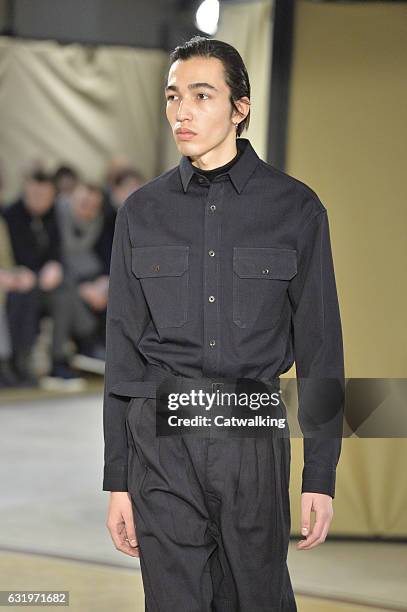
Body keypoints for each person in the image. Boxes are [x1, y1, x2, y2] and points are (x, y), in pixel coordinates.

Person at [103, 36, 345, 611]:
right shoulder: (141, 212)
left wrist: (320, 474)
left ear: (241, 108)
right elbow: (123, 354)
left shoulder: (296, 210)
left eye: (201, 94)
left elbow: (321, 350)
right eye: (172, 96)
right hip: (160, 443)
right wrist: (117, 478)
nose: (180, 112)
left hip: (251, 442)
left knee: (257, 601)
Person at [3, 170, 84, 388]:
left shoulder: (56, 215)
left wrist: (55, 265)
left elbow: (59, 250)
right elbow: (13, 254)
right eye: (34, 195)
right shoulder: (11, 215)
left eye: (44, 195)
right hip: (19, 281)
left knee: (64, 296)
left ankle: (58, 360)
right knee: (23, 297)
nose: (39, 200)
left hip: (45, 281)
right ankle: (21, 361)